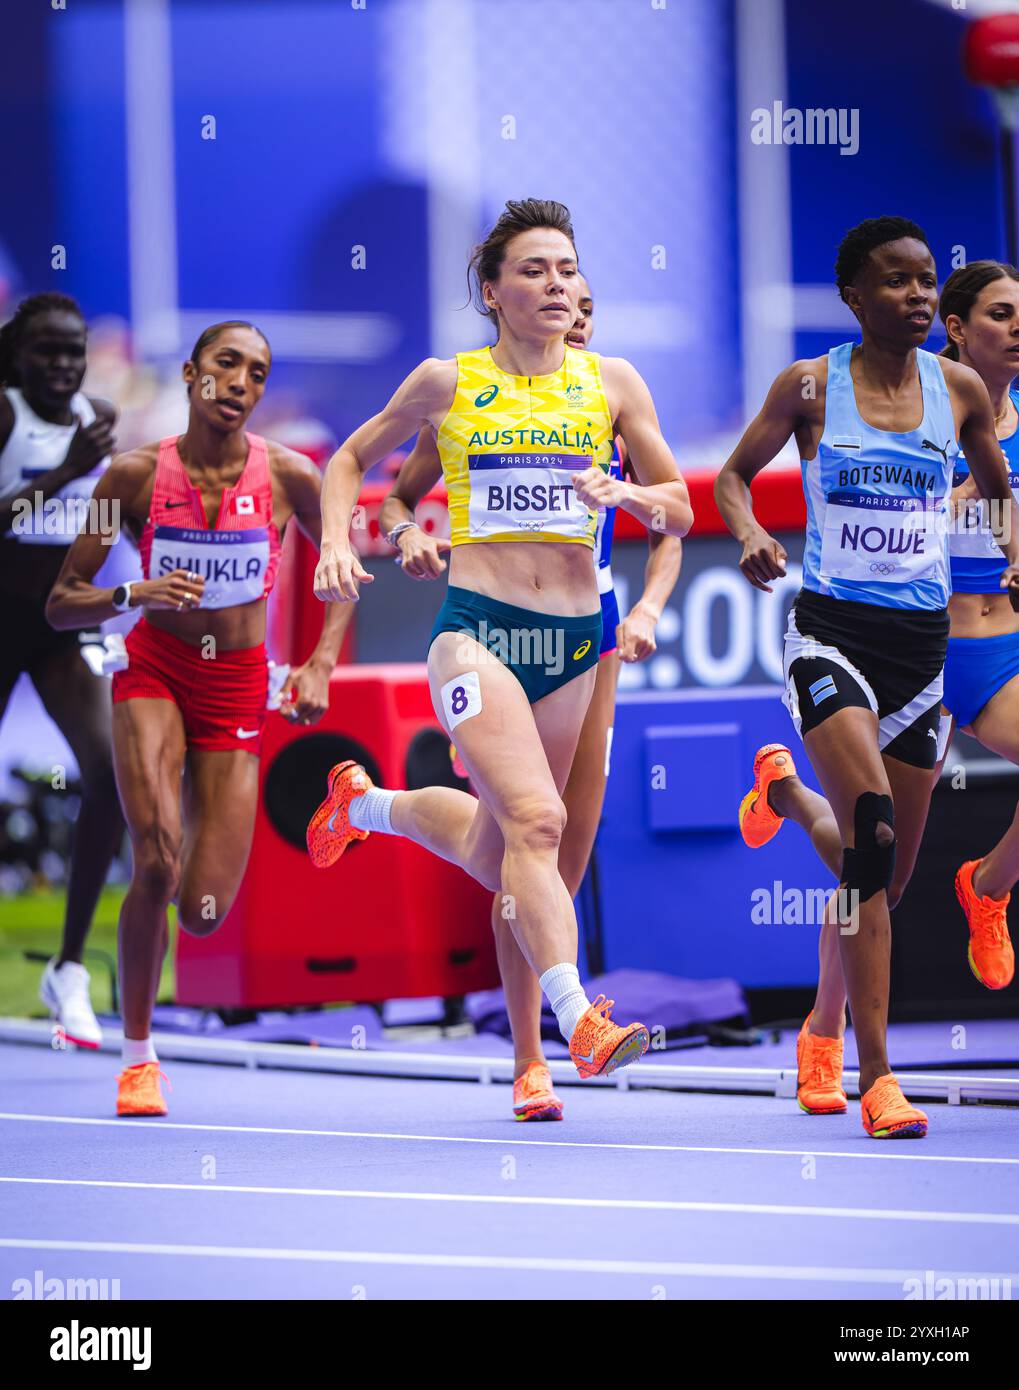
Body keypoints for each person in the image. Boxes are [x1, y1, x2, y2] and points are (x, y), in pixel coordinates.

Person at [308, 197, 692, 1086]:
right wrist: (346, 540)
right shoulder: (448, 381)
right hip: (477, 632)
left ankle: (365, 807)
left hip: (573, 640)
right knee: (540, 822)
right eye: (531, 270)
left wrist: (627, 498)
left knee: (509, 852)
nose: (555, 284)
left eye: (565, 268)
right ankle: (577, 1022)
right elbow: (348, 462)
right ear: (491, 291)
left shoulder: (615, 384)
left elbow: (677, 508)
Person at [714, 217, 1019, 1138]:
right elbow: (732, 477)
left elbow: (997, 489)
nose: (919, 296)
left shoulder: (957, 388)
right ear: (852, 295)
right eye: (896, 282)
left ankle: (783, 797)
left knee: (879, 876)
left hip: (920, 655)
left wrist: (1011, 550)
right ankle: (875, 1076)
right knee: (874, 837)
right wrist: (751, 533)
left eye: (927, 281)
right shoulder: (808, 387)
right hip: (830, 637)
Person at [46, 321, 352, 1116]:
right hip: (155, 670)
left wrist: (318, 662)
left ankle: (180, 821)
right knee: (154, 861)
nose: (242, 383)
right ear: (191, 374)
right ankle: (139, 1057)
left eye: (257, 372)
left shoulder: (289, 476)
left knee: (205, 912)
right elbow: (60, 602)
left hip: (237, 690)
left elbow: (342, 574)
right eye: (227, 365)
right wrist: (131, 594)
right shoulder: (134, 476)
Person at [0, 293, 121, 1047]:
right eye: (47, 351)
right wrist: (69, 466)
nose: (63, 365)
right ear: (17, 355)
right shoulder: (7, 414)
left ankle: (68, 970)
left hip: (55, 625)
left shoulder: (97, 415)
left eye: (73, 350)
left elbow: (99, 518)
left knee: (109, 773)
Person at [936, 261, 1019, 991]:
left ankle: (987, 886)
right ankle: (822, 1037)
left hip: (1002, 655)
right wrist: (964, 490)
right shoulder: (905, 407)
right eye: (999, 313)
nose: (1017, 327)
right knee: (874, 860)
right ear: (956, 329)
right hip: (916, 649)